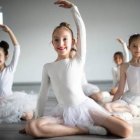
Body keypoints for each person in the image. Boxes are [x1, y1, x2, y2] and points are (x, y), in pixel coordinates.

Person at [20, 0, 132, 138]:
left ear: (73, 42)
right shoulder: (48, 67)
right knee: (32, 127)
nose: (60, 43)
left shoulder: (77, 60)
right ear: (52, 42)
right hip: (62, 112)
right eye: (56, 40)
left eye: (65, 39)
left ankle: (97, 122)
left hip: (85, 108)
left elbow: (82, 32)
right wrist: (37, 117)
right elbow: (42, 96)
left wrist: (74, 9)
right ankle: (82, 129)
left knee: (126, 131)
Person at [0, 24, 37, 123]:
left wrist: (9, 31)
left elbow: (17, 48)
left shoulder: (10, 69)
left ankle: (15, 113)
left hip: (9, 100)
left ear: (6, 56)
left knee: (28, 116)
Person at [104, 34, 140, 118]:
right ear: (128, 47)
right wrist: (112, 103)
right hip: (129, 98)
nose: (138, 49)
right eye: (134, 46)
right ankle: (131, 110)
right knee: (107, 107)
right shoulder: (124, 66)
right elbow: (120, 90)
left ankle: (132, 111)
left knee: (117, 114)